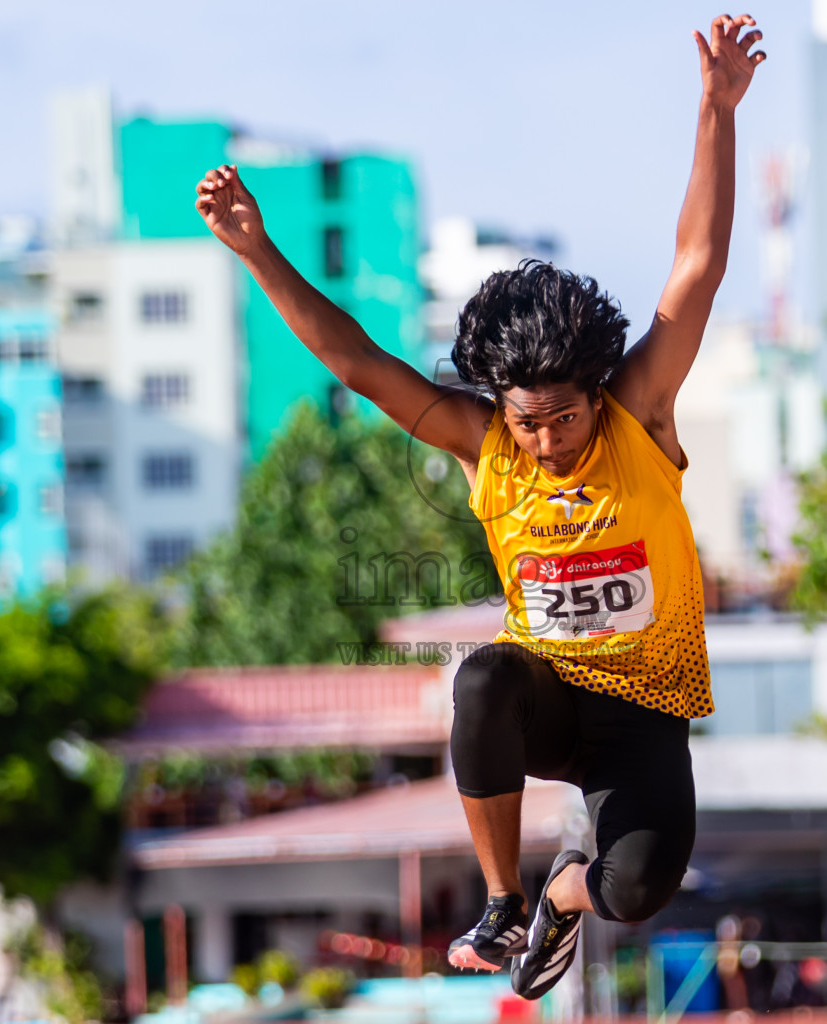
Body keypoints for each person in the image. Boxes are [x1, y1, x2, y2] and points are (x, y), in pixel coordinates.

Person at [195, 14, 767, 1000]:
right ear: (502, 408)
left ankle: (562, 896)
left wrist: (715, 110)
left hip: (645, 710)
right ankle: (503, 901)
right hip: (549, 698)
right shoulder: (482, 442)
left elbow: (697, 267)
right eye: (528, 422)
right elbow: (356, 362)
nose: (547, 441)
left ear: (595, 391)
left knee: (637, 890)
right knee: (484, 675)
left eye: (564, 418)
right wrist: (258, 250)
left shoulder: (639, 413)